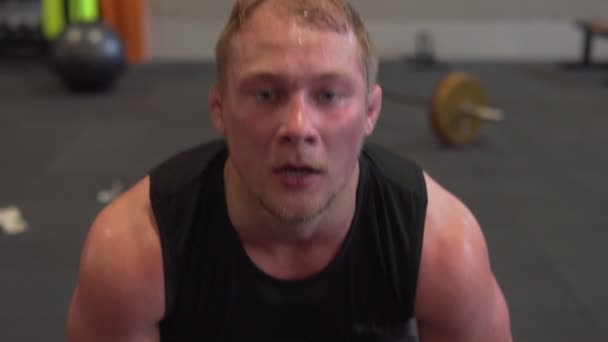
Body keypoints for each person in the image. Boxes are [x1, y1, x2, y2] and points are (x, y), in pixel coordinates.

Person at [65, 0, 512, 341]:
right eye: (265, 94)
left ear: (371, 111)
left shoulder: (444, 246)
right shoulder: (133, 251)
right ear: (220, 110)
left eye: (330, 95)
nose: (298, 129)